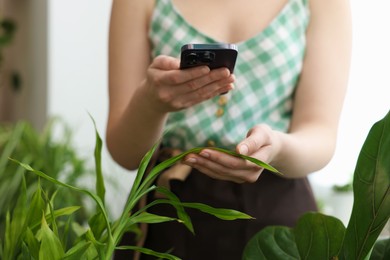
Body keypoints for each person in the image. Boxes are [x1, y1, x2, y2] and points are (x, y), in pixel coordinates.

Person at [106, 0, 352, 259]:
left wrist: (276, 148)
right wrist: (150, 103)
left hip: (279, 221)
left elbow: (320, 135)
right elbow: (125, 153)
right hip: (168, 217)